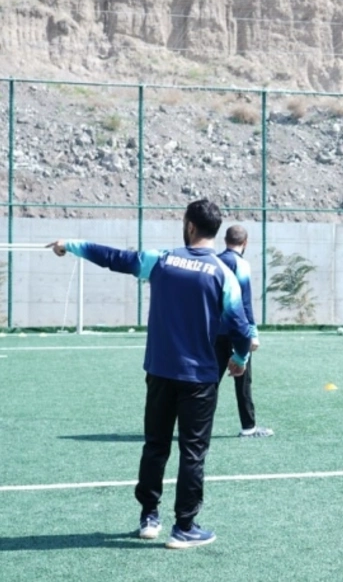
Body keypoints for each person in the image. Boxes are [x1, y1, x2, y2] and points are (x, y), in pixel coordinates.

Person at [49, 198, 252, 550]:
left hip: (159, 371)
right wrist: (238, 358)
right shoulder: (224, 274)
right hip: (200, 377)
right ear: (213, 231)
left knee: (155, 445)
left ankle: (149, 516)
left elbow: (115, 258)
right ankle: (184, 527)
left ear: (189, 226)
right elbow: (241, 328)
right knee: (193, 451)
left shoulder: (161, 260)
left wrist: (73, 244)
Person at [215, 225, 271, 437]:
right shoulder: (242, 265)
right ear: (245, 243)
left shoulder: (215, 261)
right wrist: (253, 334)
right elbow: (244, 303)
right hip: (236, 331)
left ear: (225, 240)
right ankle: (249, 427)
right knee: (243, 379)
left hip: (215, 331)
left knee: (210, 381)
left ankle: (195, 426)